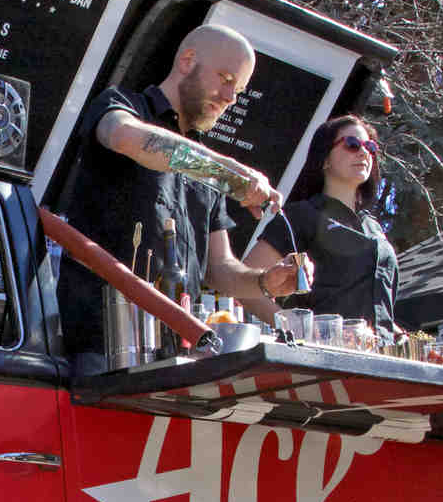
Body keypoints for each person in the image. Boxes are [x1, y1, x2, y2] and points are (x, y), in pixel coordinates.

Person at [56, 24, 308, 365]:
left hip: (177, 355)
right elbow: (127, 138)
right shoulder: (122, 104)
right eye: (226, 78)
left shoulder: (207, 163)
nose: (231, 97)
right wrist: (226, 172)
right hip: (103, 348)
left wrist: (265, 282)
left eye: (240, 89)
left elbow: (219, 268)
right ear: (187, 60)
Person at [240, 115, 399, 341]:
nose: (364, 153)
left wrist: (397, 334)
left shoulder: (375, 228)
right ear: (324, 159)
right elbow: (246, 286)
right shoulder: (300, 216)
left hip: (382, 362)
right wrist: (296, 329)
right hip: (324, 364)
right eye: (352, 145)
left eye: (370, 147)